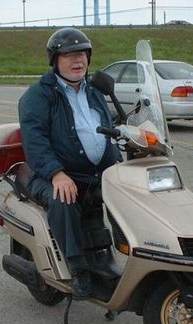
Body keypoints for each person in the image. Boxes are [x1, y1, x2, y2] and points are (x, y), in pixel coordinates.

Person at [18, 27, 121, 300]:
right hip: (51, 173)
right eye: (69, 55)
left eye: (82, 55)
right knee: (63, 199)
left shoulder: (94, 91)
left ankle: (128, 253)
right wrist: (56, 174)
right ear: (55, 60)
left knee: (133, 193)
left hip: (94, 173)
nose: (78, 61)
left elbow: (111, 128)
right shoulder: (38, 95)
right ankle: (78, 271)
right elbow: (34, 141)